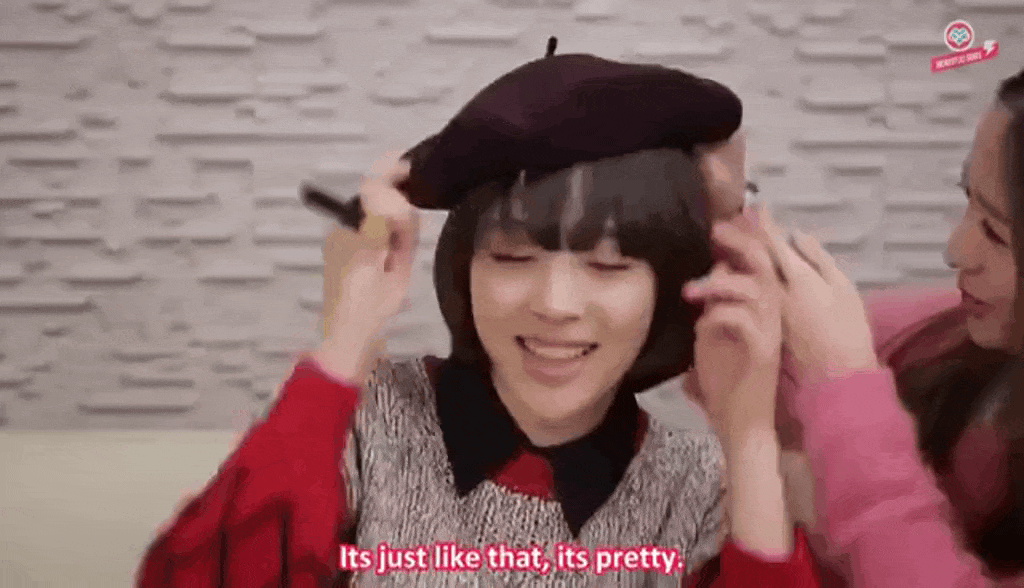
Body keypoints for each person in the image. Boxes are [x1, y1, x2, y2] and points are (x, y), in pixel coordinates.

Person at [135, 52, 821, 587]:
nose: (554, 305)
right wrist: (345, 339)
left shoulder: (697, 487)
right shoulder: (360, 428)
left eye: (609, 267)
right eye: (513, 258)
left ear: (669, 286)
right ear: (464, 267)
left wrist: (749, 437)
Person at [684, 66, 1024, 587]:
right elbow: (776, 366)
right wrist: (733, 231)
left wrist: (842, 378)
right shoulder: (943, 334)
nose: (957, 250)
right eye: (967, 201)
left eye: (997, 234)